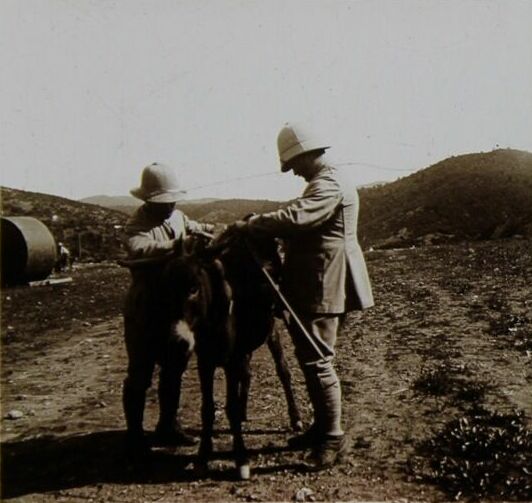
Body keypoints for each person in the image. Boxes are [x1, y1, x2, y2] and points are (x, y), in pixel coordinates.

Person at [228, 123, 374, 470]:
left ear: (306, 154)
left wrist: (253, 224)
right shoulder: (325, 181)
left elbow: (298, 218)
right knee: (310, 356)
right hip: (315, 279)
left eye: (293, 163)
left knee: (318, 359)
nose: (293, 171)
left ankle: (332, 437)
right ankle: (321, 427)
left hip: (325, 279)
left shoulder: (329, 184)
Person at [122, 162, 214, 459]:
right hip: (146, 308)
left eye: (171, 200)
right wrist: (177, 245)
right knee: (141, 370)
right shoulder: (137, 224)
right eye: (163, 201)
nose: (169, 205)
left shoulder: (177, 215)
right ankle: (135, 434)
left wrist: (208, 230)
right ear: (148, 200)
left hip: (174, 306)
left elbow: (192, 227)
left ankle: (168, 425)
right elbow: (139, 248)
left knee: (174, 367)